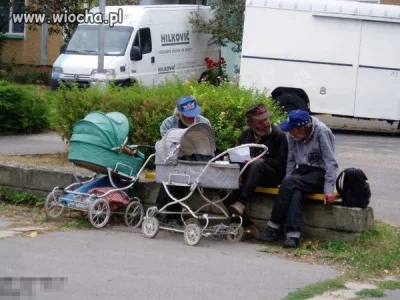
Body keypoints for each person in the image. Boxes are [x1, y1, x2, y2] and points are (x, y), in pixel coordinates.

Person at [255, 109, 338, 248]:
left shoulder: (322, 132)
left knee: (290, 184)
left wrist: (329, 189)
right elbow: (291, 161)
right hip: (302, 172)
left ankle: (273, 229)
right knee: (294, 192)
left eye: (292, 130)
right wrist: (287, 180)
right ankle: (292, 236)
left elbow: (331, 162)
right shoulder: (293, 136)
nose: (290, 134)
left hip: (319, 173)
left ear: (302, 128)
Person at [226, 104, 288, 240]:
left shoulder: (278, 135)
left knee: (256, 164)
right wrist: (237, 173)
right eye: (260, 122)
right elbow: (237, 157)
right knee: (225, 187)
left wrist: (264, 160)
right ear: (251, 124)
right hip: (249, 174)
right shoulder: (245, 135)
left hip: (271, 175)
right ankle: (247, 226)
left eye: (267, 119)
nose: (266, 123)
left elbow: (281, 164)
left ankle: (241, 203)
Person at [156, 96, 211, 219]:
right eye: (187, 115)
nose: (191, 118)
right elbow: (168, 146)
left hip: (197, 158)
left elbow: (205, 146)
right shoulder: (168, 124)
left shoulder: (204, 123)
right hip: (175, 157)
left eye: (193, 115)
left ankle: (168, 213)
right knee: (173, 175)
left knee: (179, 173)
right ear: (178, 114)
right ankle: (165, 212)